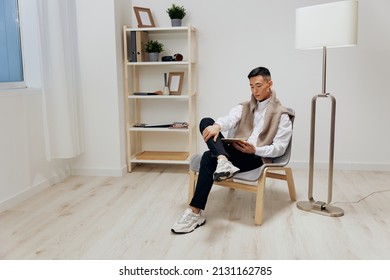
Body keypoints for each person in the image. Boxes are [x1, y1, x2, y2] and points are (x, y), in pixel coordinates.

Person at [171, 66, 294, 234]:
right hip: (235, 150)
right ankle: (223, 160)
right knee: (206, 122)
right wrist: (217, 126)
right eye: (251, 86)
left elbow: (280, 148)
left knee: (208, 156)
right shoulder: (244, 106)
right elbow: (229, 119)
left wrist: (255, 150)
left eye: (258, 85)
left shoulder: (282, 115)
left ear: (269, 83)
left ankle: (194, 212)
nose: (254, 90)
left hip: (255, 157)